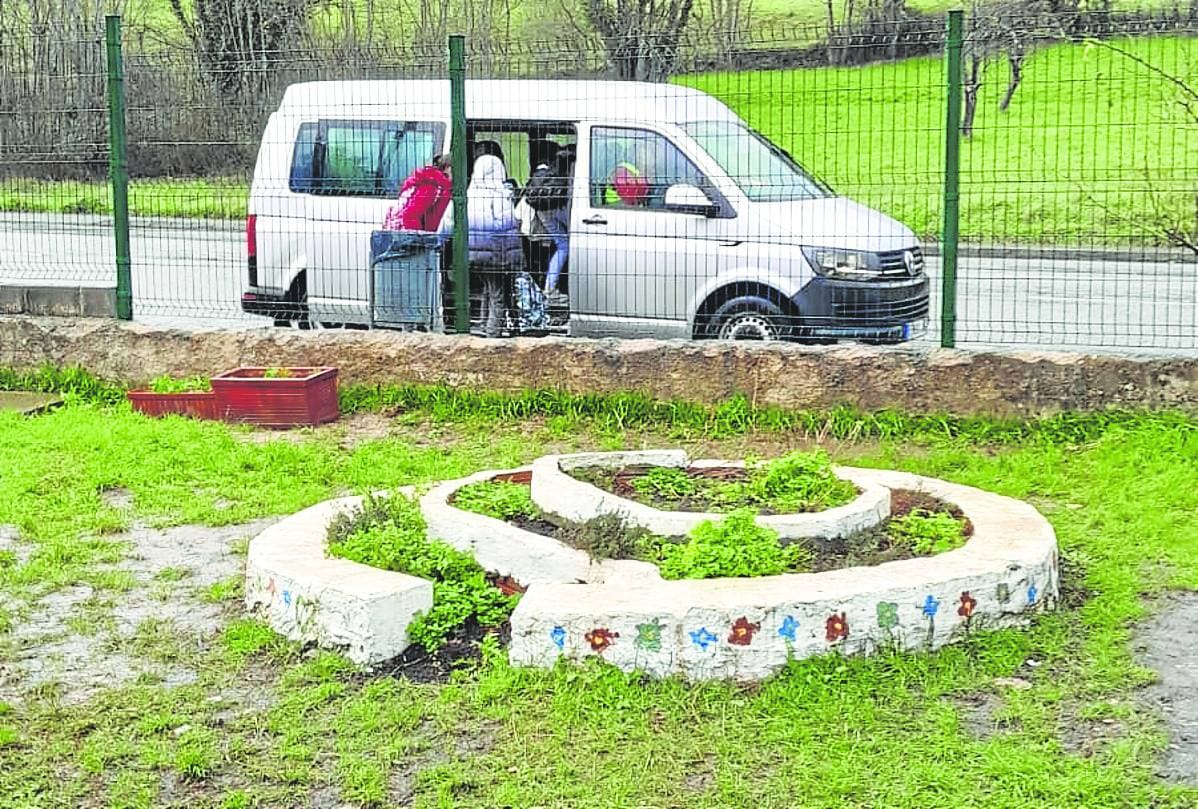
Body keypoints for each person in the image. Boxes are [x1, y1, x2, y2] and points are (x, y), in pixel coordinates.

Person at [440, 153, 523, 337]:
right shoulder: (499, 194)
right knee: (498, 296)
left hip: (473, 253)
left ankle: (484, 327)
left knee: (488, 289)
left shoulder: (468, 194)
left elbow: (449, 223)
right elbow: (506, 224)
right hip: (495, 253)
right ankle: (492, 336)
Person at [524, 145, 575, 304]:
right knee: (575, 242)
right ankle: (571, 287)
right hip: (561, 206)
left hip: (542, 209)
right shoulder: (572, 165)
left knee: (563, 245)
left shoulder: (543, 168)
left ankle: (549, 288)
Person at [383, 154, 452, 232]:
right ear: (447, 168)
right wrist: (419, 240)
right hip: (407, 234)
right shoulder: (430, 186)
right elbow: (410, 216)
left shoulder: (435, 183)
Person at [603, 139, 652, 207]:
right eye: (642, 154)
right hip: (617, 205)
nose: (651, 158)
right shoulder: (622, 170)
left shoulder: (638, 171)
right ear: (634, 156)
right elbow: (631, 196)